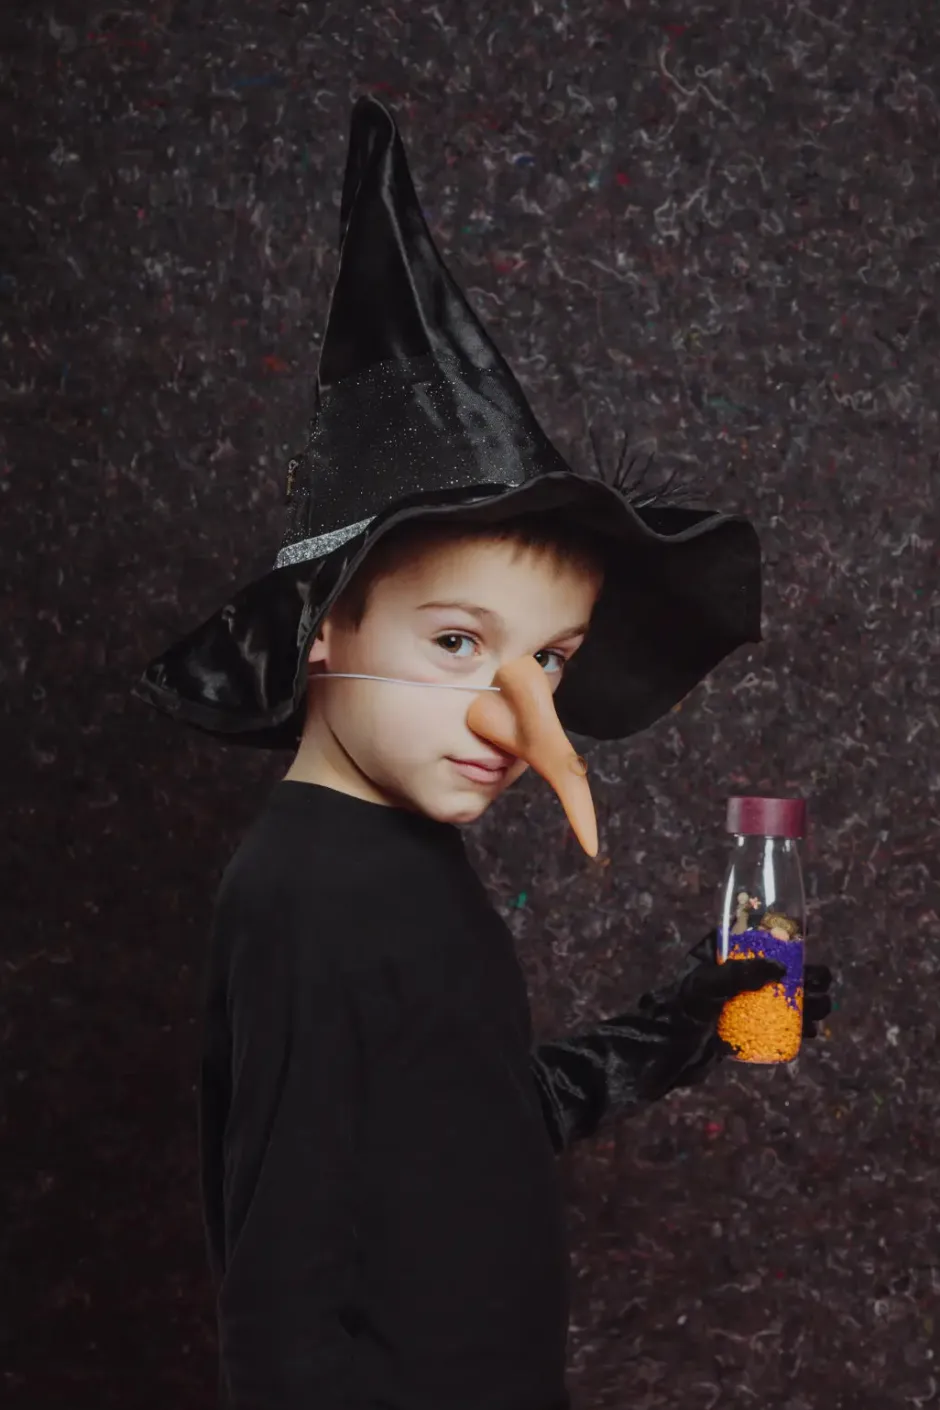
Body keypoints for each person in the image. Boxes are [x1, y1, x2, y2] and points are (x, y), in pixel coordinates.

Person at [132, 97, 832, 1410]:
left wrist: (686, 1022)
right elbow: (280, 1312)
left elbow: (469, 1128)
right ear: (324, 624)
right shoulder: (304, 898)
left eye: (550, 660)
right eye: (459, 643)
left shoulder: (398, 854)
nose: (523, 719)